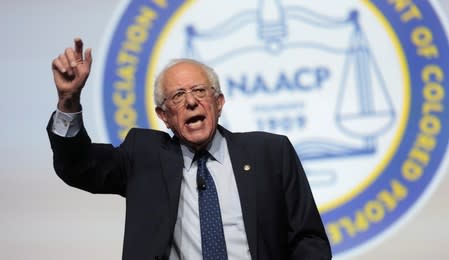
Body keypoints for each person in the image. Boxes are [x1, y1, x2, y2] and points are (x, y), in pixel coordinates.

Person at [47, 38, 332, 260]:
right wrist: (68, 101)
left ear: (219, 102)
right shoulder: (143, 155)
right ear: (164, 115)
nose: (191, 102)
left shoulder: (270, 152)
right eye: (178, 96)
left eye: (199, 91)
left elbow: (308, 240)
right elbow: (78, 165)